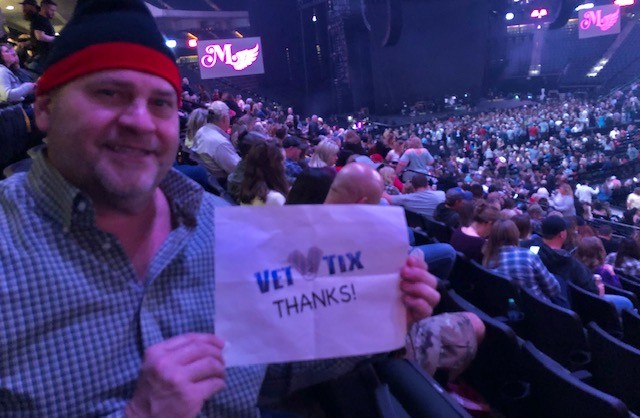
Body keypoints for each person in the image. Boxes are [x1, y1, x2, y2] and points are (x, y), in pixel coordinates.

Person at [0, 1, 440, 415]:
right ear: (45, 107)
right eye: (108, 92)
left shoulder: (221, 225)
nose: (139, 120)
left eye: (160, 102)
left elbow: (267, 371)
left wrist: (380, 317)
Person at [483, 219, 564, 305]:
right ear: (515, 234)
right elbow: (554, 290)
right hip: (538, 307)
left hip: (508, 307)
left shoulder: (487, 260)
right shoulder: (528, 256)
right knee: (560, 281)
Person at [190, 100, 240, 188]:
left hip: (206, 180)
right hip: (221, 186)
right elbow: (240, 172)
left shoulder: (201, 130)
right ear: (224, 119)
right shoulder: (220, 143)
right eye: (229, 116)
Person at [239, 140, 289, 206]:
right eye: (283, 162)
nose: (285, 167)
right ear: (274, 166)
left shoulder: (247, 190)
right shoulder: (275, 198)